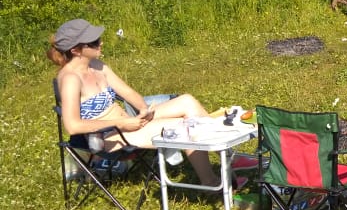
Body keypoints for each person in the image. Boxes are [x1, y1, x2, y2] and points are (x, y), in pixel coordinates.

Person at [48, 18, 222, 188]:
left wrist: (144, 110)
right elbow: (73, 126)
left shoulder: (97, 65)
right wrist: (121, 123)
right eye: (94, 42)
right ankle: (211, 183)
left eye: (98, 39)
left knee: (187, 101)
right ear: (76, 50)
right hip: (108, 137)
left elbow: (128, 92)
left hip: (129, 123)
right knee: (185, 126)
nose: (101, 43)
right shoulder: (71, 79)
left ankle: (230, 158)